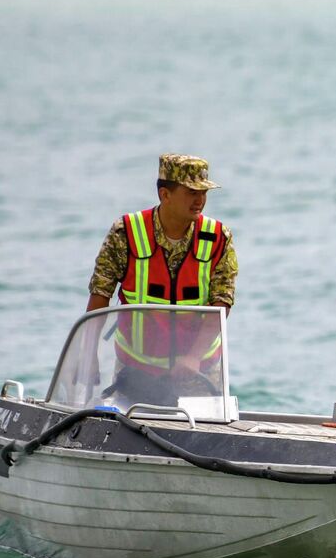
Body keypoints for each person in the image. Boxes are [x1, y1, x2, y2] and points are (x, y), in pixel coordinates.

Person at [83, 154, 237, 405]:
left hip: (199, 370)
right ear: (165, 195)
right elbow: (101, 290)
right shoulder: (126, 233)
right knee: (126, 436)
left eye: (204, 193)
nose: (200, 201)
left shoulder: (218, 238)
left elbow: (222, 303)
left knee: (203, 437)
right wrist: (88, 353)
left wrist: (193, 357)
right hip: (136, 371)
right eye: (191, 192)